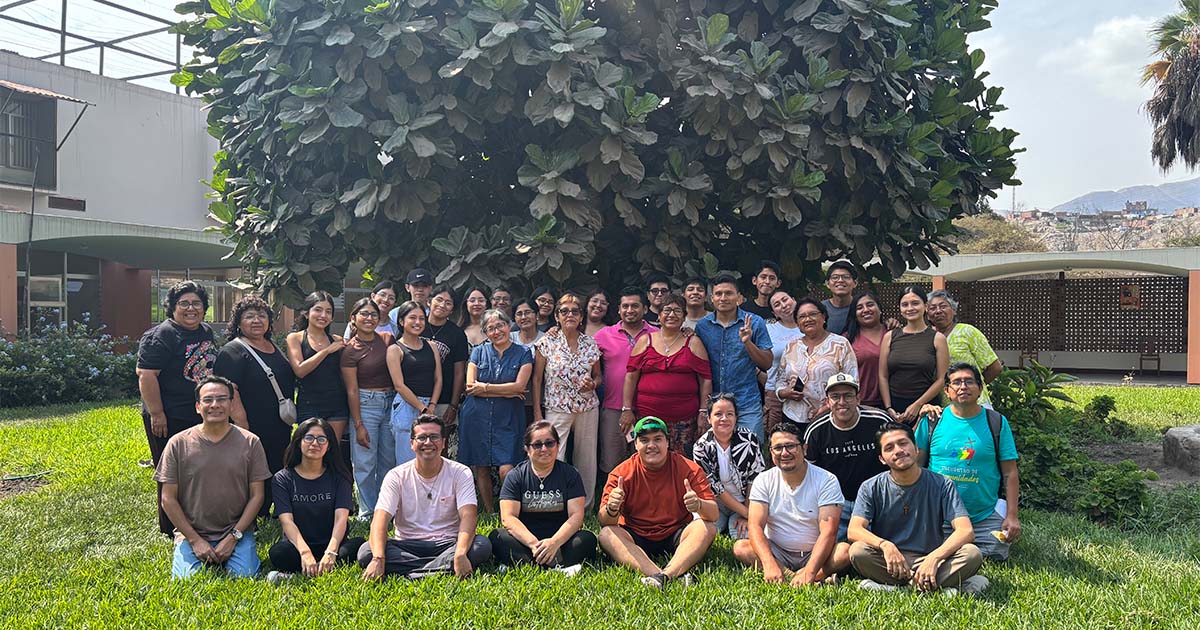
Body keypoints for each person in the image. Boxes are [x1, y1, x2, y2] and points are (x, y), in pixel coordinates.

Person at [848, 422, 986, 593]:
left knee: (972, 554)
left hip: (930, 559)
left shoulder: (942, 484)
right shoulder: (871, 486)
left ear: (916, 448)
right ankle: (934, 587)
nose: (898, 450)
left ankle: (898, 588)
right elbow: (854, 530)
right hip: (890, 561)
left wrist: (934, 559)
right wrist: (885, 546)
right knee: (858, 551)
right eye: (889, 448)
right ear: (882, 459)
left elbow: (965, 531)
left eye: (903, 443)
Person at [156, 375, 270, 579]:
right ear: (198, 407)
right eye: (208, 400)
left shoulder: (250, 442)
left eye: (222, 399)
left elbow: (257, 496)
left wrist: (234, 536)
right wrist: (194, 540)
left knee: (245, 577)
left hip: (236, 531)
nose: (215, 405)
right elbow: (168, 498)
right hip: (192, 532)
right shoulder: (178, 443)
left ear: (231, 404)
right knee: (187, 583)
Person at [358, 415, 492, 580]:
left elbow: (469, 515)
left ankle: (414, 572)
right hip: (407, 544)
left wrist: (460, 553)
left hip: (448, 542)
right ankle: (437, 569)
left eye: (434, 437)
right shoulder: (396, 476)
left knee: (481, 545)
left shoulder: (460, 472)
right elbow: (380, 519)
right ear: (412, 444)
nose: (428, 442)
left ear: (443, 443)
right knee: (366, 551)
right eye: (421, 437)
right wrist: (378, 558)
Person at [916, 363, 1020, 561]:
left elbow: (1010, 473)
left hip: (983, 515)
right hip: (939, 515)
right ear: (946, 390)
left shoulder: (996, 422)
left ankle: (961, 546)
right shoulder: (931, 420)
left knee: (996, 553)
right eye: (956, 382)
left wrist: (1012, 516)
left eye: (969, 381)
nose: (963, 387)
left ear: (980, 389)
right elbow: (915, 466)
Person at [598, 417, 718, 589]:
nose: (651, 445)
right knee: (606, 534)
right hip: (636, 535)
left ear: (667, 442)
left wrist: (698, 504)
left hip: (676, 534)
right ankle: (663, 574)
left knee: (706, 528)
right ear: (636, 445)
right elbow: (604, 521)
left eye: (658, 439)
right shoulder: (621, 473)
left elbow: (713, 514)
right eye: (644, 440)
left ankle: (664, 577)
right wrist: (611, 508)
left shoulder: (688, 468)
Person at [137, 280, 216, 535]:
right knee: (171, 471)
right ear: (172, 307)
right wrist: (157, 414)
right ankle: (170, 526)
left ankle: (197, 518)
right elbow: (146, 375)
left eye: (196, 303)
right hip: (169, 415)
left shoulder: (205, 331)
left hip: (198, 414)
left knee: (197, 469)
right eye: (184, 303)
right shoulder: (162, 335)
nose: (191, 308)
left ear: (204, 308)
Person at [732, 421, 845, 586]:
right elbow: (755, 526)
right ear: (771, 452)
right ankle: (801, 578)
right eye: (778, 448)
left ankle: (807, 575)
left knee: (844, 552)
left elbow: (829, 532)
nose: (784, 453)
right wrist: (769, 563)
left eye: (790, 446)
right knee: (741, 547)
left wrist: (810, 569)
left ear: (804, 449)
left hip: (815, 552)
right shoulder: (763, 480)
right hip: (777, 551)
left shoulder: (827, 480)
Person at [489, 422, 599, 573]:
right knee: (497, 537)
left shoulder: (570, 474)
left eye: (549, 443)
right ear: (527, 449)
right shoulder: (515, 476)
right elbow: (508, 518)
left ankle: (524, 565)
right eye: (537, 445)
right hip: (525, 541)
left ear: (557, 445)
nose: (544, 449)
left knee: (587, 539)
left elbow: (576, 516)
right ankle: (558, 566)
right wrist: (534, 544)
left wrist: (554, 543)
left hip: (561, 540)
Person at [267, 418, 365, 582]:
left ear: (329, 445)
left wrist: (331, 552)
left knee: (358, 546)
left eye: (321, 439)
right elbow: (287, 521)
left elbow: (341, 518)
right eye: (309, 438)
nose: (315, 443)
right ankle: (319, 568)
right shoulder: (282, 479)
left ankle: (306, 571)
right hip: (298, 546)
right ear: (299, 442)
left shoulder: (340, 477)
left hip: (332, 544)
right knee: (278, 553)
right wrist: (305, 553)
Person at [214, 295, 296, 489]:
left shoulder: (273, 346)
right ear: (239, 323)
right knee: (254, 469)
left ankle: (272, 505)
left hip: (279, 423)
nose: (257, 320)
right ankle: (254, 510)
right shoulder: (232, 351)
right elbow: (228, 389)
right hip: (252, 425)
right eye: (249, 316)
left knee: (276, 465)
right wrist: (242, 424)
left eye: (262, 316)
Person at [459, 309, 534, 512]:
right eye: (490, 328)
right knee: (481, 465)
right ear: (485, 332)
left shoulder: (524, 353)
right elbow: (470, 386)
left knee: (507, 468)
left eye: (500, 325)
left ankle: (508, 509)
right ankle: (491, 511)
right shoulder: (478, 352)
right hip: (477, 416)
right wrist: (505, 391)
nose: (496, 331)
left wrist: (485, 388)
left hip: (508, 418)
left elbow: (520, 387)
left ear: (509, 326)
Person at [803, 374, 890, 546]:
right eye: (835, 397)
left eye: (848, 395)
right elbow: (809, 473)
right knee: (830, 549)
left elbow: (899, 454)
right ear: (827, 401)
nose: (842, 401)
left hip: (876, 501)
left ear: (858, 398)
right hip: (835, 503)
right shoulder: (816, 430)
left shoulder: (879, 421)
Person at [533, 294, 602, 508]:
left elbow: (599, 376)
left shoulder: (590, 343)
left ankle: (585, 505)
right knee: (554, 455)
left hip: (587, 407)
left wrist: (593, 384)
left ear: (581, 316)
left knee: (587, 459)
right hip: (556, 407)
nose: (570, 315)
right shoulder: (546, 343)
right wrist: (538, 413)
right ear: (557, 316)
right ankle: (554, 504)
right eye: (564, 311)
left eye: (575, 311)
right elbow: (537, 380)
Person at [623, 293, 712, 457]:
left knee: (681, 463)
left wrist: (703, 412)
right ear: (659, 316)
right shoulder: (645, 340)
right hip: (648, 416)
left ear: (684, 317)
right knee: (648, 459)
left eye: (677, 311)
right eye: (667, 310)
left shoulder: (693, 342)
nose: (672, 315)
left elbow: (705, 379)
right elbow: (631, 376)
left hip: (684, 420)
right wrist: (627, 408)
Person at [694, 274, 773, 439]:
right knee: (716, 459)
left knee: (751, 456)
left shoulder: (754, 322)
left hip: (746, 403)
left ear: (738, 297)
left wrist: (747, 342)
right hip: (714, 404)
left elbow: (767, 363)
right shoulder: (702, 326)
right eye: (718, 294)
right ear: (712, 298)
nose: (723, 298)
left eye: (728, 293)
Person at [340, 297, 396, 518]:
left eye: (373, 314)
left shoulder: (388, 339)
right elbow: (352, 390)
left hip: (391, 402)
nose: (369, 318)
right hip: (365, 404)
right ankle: (367, 512)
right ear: (353, 318)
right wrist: (358, 423)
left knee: (388, 460)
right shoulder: (349, 350)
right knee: (365, 462)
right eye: (363, 314)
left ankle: (385, 508)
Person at [595, 287, 658, 479]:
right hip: (613, 408)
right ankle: (611, 503)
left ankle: (643, 503)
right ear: (619, 310)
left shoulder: (657, 334)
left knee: (646, 459)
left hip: (647, 407)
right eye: (625, 306)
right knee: (612, 460)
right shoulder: (603, 335)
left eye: (635, 306)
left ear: (645, 309)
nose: (630, 310)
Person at [286, 291, 350, 469]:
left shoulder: (337, 340)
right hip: (309, 404)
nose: (323, 315)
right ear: (306, 313)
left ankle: (331, 492)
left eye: (328, 312)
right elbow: (300, 370)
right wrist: (327, 351)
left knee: (332, 453)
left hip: (337, 405)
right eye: (318, 310)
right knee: (309, 452)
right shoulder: (296, 338)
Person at [774, 298, 857, 429]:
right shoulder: (791, 347)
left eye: (812, 314)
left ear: (823, 317)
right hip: (792, 416)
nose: (807, 319)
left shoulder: (840, 344)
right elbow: (780, 379)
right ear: (798, 323)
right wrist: (783, 392)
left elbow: (852, 381)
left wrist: (828, 406)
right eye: (802, 316)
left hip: (829, 416)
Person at [692, 393, 765, 539]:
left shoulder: (749, 440)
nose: (724, 419)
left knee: (742, 537)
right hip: (715, 503)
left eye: (729, 414)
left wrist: (748, 510)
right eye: (718, 414)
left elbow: (755, 479)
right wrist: (748, 514)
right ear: (709, 418)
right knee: (704, 534)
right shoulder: (701, 447)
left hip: (745, 500)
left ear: (736, 418)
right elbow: (716, 488)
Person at [879, 286, 950, 425]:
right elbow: (882, 375)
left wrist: (918, 405)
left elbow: (942, 379)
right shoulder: (890, 336)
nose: (910, 308)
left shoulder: (937, 338)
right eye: (905, 304)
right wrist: (888, 407)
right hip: (894, 409)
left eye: (915, 303)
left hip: (926, 408)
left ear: (925, 306)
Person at [387, 301, 443, 466]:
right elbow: (399, 385)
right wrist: (422, 408)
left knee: (429, 460)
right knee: (406, 462)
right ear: (402, 321)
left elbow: (438, 378)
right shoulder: (394, 349)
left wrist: (431, 405)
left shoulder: (431, 345)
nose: (417, 322)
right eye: (412, 318)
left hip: (430, 405)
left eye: (421, 318)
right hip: (406, 406)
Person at [927, 290, 1003, 408]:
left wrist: (972, 387)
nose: (938, 311)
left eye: (943, 306)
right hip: (944, 405)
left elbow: (995, 367)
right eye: (932, 308)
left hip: (975, 404)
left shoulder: (967, 331)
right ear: (927, 314)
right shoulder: (928, 337)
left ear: (954, 310)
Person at [421, 285, 469, 430]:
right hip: (414, 398)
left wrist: (453, 405)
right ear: (429, 301)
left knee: (442, 445)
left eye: (448, 303)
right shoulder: (416, 325)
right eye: (439, 300)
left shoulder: (457, 334)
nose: (442, 305)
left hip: (444, 400)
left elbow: (459, 372)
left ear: (452, 310)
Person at [763, 290, 803, 434]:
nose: (783, 305)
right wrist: (762, 378)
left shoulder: (809, 324)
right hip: (775, 391)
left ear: (793, 299)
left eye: (785, 300)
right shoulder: (769, 329)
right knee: (776, 434)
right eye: (777, 304)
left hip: (807, 389)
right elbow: (755, 355)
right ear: (774, 313)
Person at [845, 291, 886, 408]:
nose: (865, 310)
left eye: (870, 305)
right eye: (859, 307)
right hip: (860, 403)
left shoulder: (893, 333)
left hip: (893, 403)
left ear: (880, 309)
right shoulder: (847, 339)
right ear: (854, 314)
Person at [508, 297, 544, 424]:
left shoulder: (546, 340)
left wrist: (537, 410)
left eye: (528, 312)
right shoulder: (508, 339)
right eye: (519, 314)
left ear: (537, 315)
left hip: (539, 401)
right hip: (509, 401)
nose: (524, 317)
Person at [821, 261, 858, 335]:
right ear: (827, 284)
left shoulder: (861, 307)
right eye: (835, 277)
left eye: (846, 277)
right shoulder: (820, 308)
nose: (840, 280)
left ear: (855, 283)